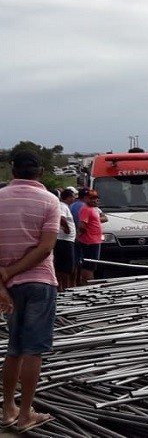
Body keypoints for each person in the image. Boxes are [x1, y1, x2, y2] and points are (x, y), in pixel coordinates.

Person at [0, 150, 58, 432]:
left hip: (7, 288)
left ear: (12, 170)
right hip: (39, 282)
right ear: (41, 172)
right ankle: (25, 414)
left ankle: (7, 408)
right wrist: (12, 272)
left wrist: (3, 281)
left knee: (14, 349)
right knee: (33, 350)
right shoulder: (50, 200)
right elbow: (46, 247)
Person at [77, 190, 108, 285]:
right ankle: (88, 285)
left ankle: (88, 283)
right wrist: (86, 234)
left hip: (94, 241)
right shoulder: (86, 209)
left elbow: (104, 218)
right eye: (91, 198)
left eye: (95, 198)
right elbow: (82, 225)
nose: (94, 200)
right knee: (89, 265)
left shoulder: (94, 209)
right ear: (86, 199)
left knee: (91, 265)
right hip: (89, 242)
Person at [54, 188, 77, 291]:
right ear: (67, 197)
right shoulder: (63, 206)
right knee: (66, 266)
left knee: (64, 265)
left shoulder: (65, 206)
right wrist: (67, 228)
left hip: (66, 240)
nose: (74, 199)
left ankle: (62, 287)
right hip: (64, 240)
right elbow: (61, 218)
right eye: (72, 197)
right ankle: (63, 287)